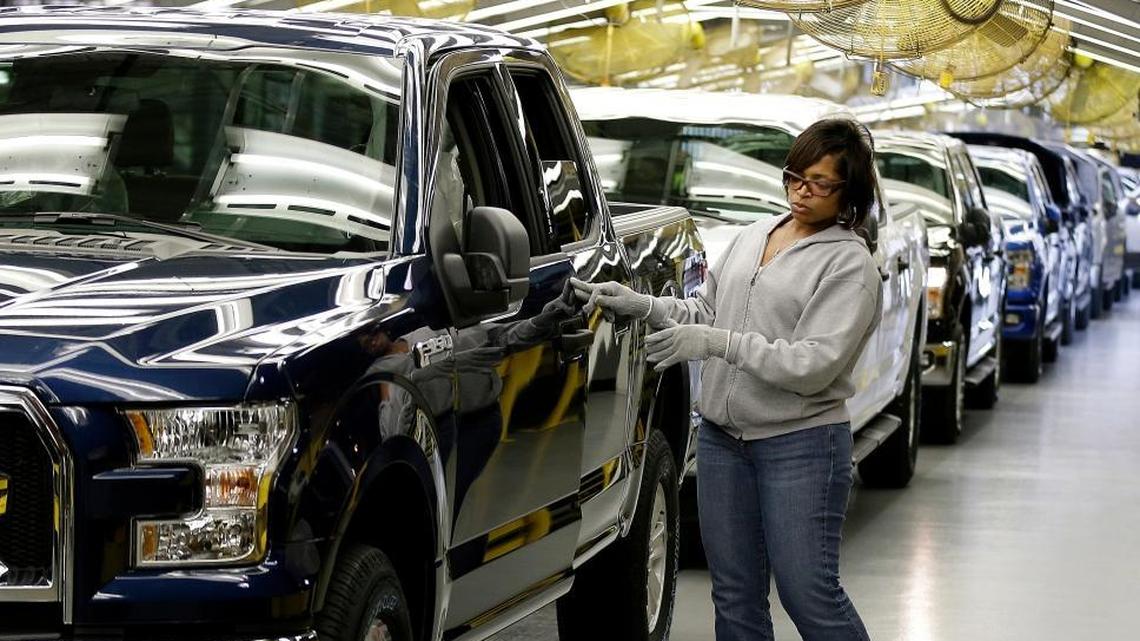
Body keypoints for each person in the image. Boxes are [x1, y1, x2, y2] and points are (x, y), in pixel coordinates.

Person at [571, 118, 881, 641]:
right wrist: (646, 306)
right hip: (723, 443)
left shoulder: (850, 266)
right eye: (794, 178)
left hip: (800, 445)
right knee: (735, 597)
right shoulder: (754, 235)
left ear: (848, 192)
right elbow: (708, 311)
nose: (802, 192)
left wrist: (718, 344)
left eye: (820, 184)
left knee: (808, 593)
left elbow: (812, 366)